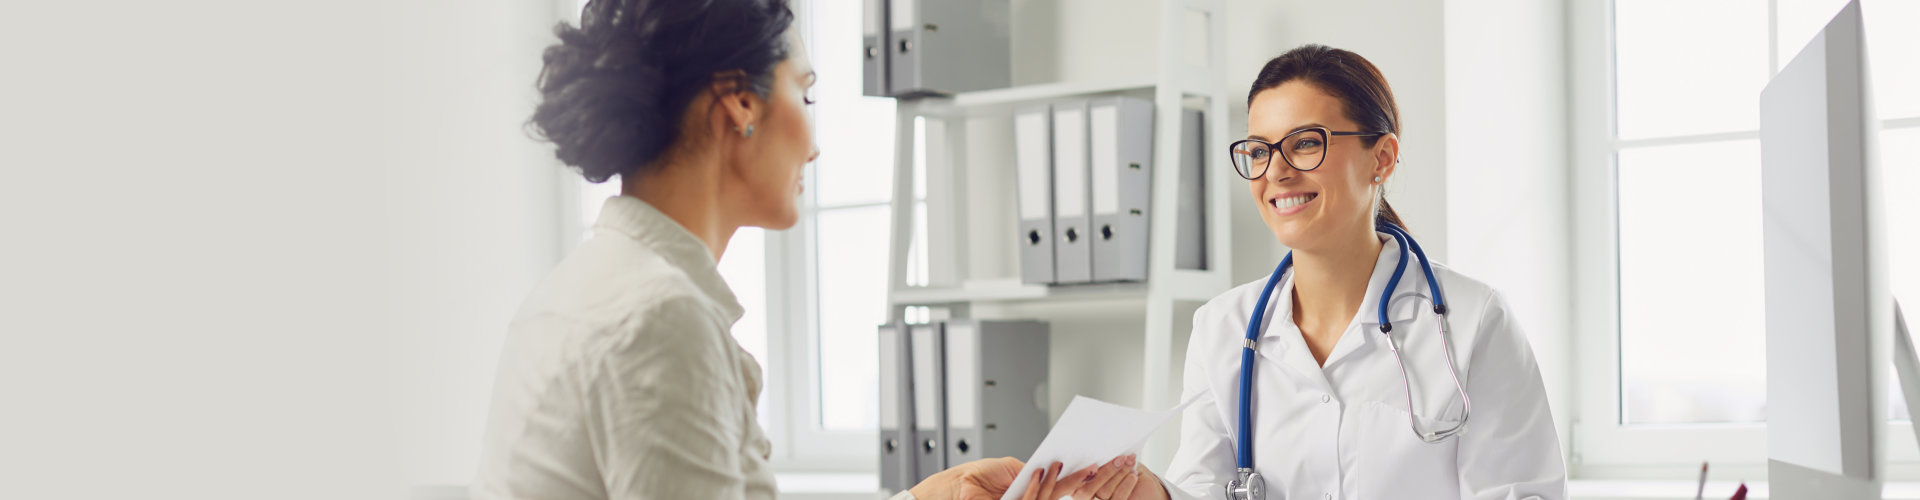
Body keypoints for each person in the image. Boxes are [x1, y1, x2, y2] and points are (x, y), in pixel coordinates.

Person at [470, 0, 1125, 499]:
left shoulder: (589, 286)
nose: (814, 143)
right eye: (804, 93)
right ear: (738, 104)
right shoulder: (658, 319)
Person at [1103, 44, 1569, 500]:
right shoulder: (1222, 328)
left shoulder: (1473, 321)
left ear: (1381, 159)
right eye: (1259, 151)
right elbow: (1204, 489)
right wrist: (1149, 493)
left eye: (1305, 143)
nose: (1276, 172)